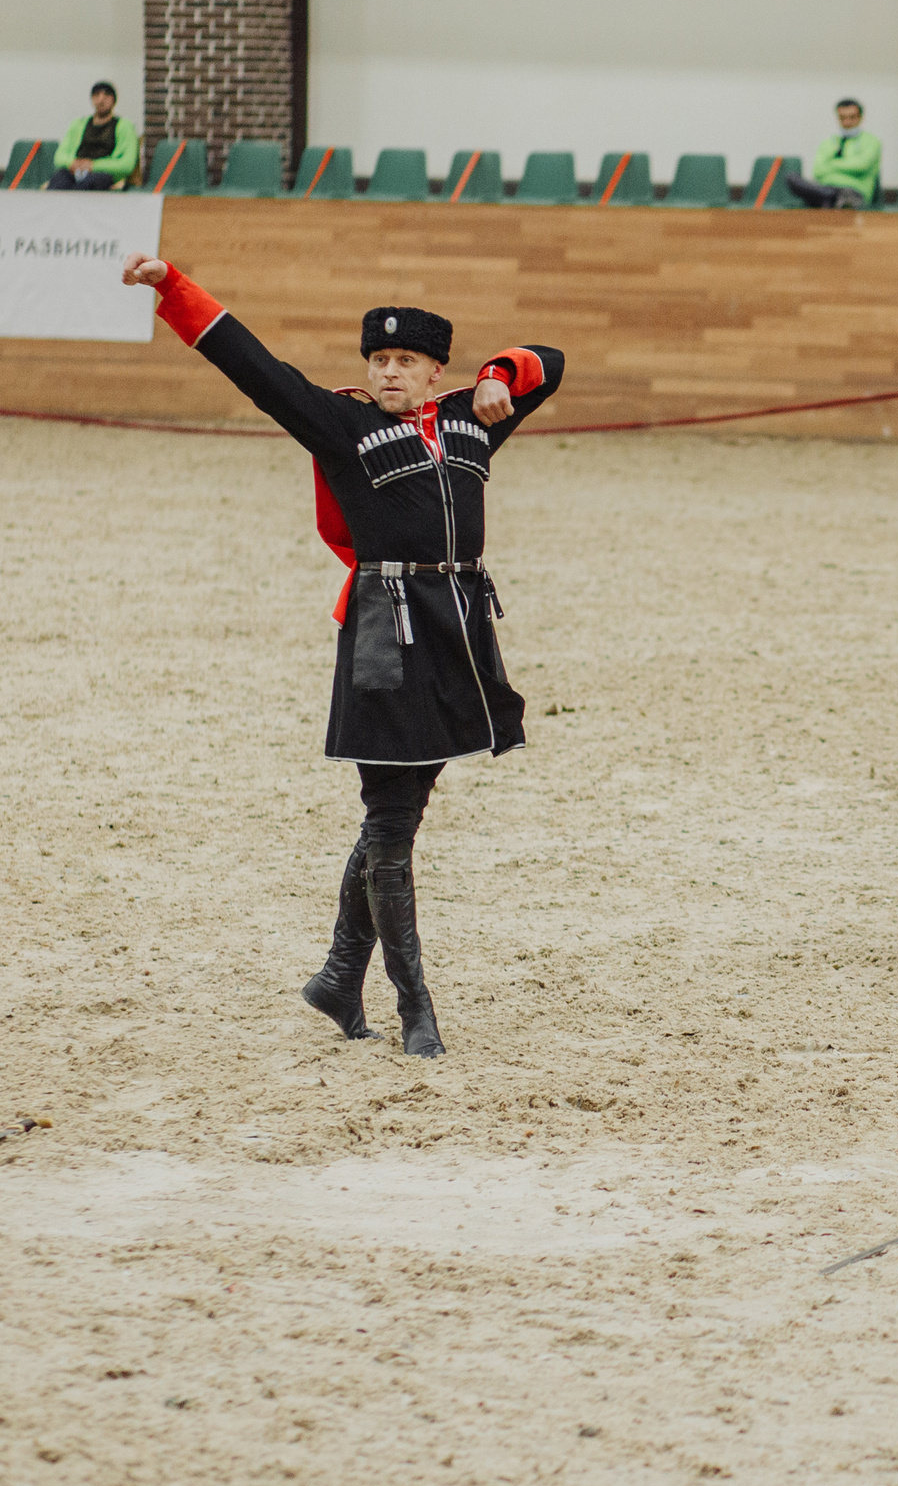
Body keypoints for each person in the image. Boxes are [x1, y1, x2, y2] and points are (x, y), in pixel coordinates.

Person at [117, 252, 566, 1058]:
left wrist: (501, 374)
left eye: (406, 360)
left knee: (402, 811)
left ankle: (336, 976)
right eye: (378, 358)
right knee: (390, 822)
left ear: (435, 370)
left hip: (459, 631)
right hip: (384, 632)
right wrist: (173, 288)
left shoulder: (471, 417)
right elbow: (254, 367)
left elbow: (553, 364)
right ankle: (415, 1006)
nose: (389, 371)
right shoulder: (342, 424)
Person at [785, 98, 881, 209]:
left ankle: (831, 200)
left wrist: (831, 164)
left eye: (852, 117)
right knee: (792, 178)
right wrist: (847, 165)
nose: (847, 122)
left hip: (854, 191)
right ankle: (830, 199)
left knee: (843, 195)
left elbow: (861, 166)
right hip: (825, 188)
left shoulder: (871, 141)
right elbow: (818, 171)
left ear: (860, 118)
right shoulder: (828, 142)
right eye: (842, 118)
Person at [48, 81, 138, 191]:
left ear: (114, 100)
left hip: (104, 174)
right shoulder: (78, 124)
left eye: (106, 95)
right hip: (75, 171)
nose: (101, 100)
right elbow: (59, 157)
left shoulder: (124, 126)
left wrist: (93, 166)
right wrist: (73, 163)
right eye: (97, 95)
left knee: (88, 184)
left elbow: (127, 164)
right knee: (58, 181)